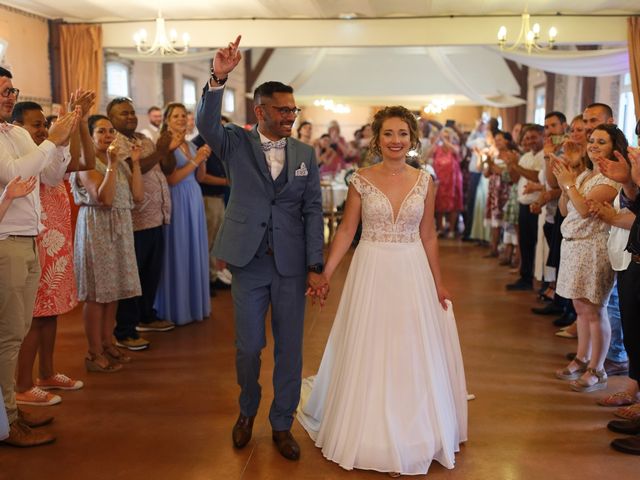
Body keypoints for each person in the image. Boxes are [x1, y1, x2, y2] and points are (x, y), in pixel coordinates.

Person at [297, 105, 467, 476]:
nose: (395, 140)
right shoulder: (361, 178)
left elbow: (429, 234)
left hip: (411, 269)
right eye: (388, 134)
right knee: (372, 342)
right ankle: (371, 430)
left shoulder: (425, 181)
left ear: (412, 140)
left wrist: (437, 282)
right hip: (371, 267)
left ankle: (411, 431)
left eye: (402, 134)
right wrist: (325, 273)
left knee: (408, 345)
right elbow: (345, 231)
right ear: (377, 139)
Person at [196, 36, 324, 461]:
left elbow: (312, 209)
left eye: (294, 109)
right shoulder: (234, 142)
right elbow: (206, 126)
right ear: (261, 111)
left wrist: (316, 264)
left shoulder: (305, 152)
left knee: (290, 348)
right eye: (283, 109)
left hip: (289, 264)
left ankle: (282, 422)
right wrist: (218, 78)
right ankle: (247, 408)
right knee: (249, 346)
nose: (290, 116)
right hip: (248, 261)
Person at [0, 67, 79, 447]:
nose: (9, 95)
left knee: (17, 331)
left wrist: (60, 144)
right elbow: (12, 172)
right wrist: (53, 142)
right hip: (5, 241)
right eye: (2, 90)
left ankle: (10, 407)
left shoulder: (15, 133)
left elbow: (49, 176)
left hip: (27, 239)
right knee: (8, 336)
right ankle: (8, 419)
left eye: (12, 89)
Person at [12, 95, 95, 406]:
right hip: (37, 241)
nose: (42, 131)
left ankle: (46, 372)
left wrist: (80, 122)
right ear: (16, 128)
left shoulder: (48, 151)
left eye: (43, 124)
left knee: (51, 312)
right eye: (35, 125)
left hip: (57, 242)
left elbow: (86, 161)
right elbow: (50, 174)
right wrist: (67, 126)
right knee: (35, 316)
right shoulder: (24, 158)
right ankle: (23, 384)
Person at [71, 114, 144, 371]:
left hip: (120, 229)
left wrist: (133, 163)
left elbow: (137, 195)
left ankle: (107, 342)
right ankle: (93, 351)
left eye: (111, 131)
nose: (108, 136)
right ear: (90, 136)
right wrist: (112, 165)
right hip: (97, 229)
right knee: (96, 295)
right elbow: (104, 198)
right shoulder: (84, 163)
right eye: (101, 131)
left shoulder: (119, 162)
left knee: (113, 293)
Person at [553, 124, 622, 392]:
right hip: (573, 246)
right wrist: (565, 185)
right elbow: (565, 209)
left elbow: (583, 210)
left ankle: (598, 367)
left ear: (614, 147)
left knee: (595, 309)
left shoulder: (610, 179)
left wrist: (570, 184)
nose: (592, 145)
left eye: (601, 142)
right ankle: (581, 357)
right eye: (591, 140)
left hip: (593, 248)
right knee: (580, 308)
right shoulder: (587, 175)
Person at [109, 97, 177, 350]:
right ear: (111, 118)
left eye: (131, 113)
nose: (129, 117)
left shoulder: (143, 139)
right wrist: (159, 151)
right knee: (132, 277)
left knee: (151, 273)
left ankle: (146, 316)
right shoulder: (114, 143)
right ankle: (125, 330)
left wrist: (166, 148)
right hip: (134, 221)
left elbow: (166, 169)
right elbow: (127, 170)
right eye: (123, 114)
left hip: (156, 217)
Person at [154, 103, 211, 325]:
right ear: (167, 120)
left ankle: (195, 305)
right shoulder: (165, 144)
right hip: (176, 198)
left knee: (194, 249)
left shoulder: (189, 144)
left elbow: (200, 177)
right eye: (175, 116)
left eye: (184, 115)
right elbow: (172, 179)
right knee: (178, 249)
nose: (181, 119)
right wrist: (196, 161)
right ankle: (176, 307)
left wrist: (203, 159)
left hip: (194, 198)